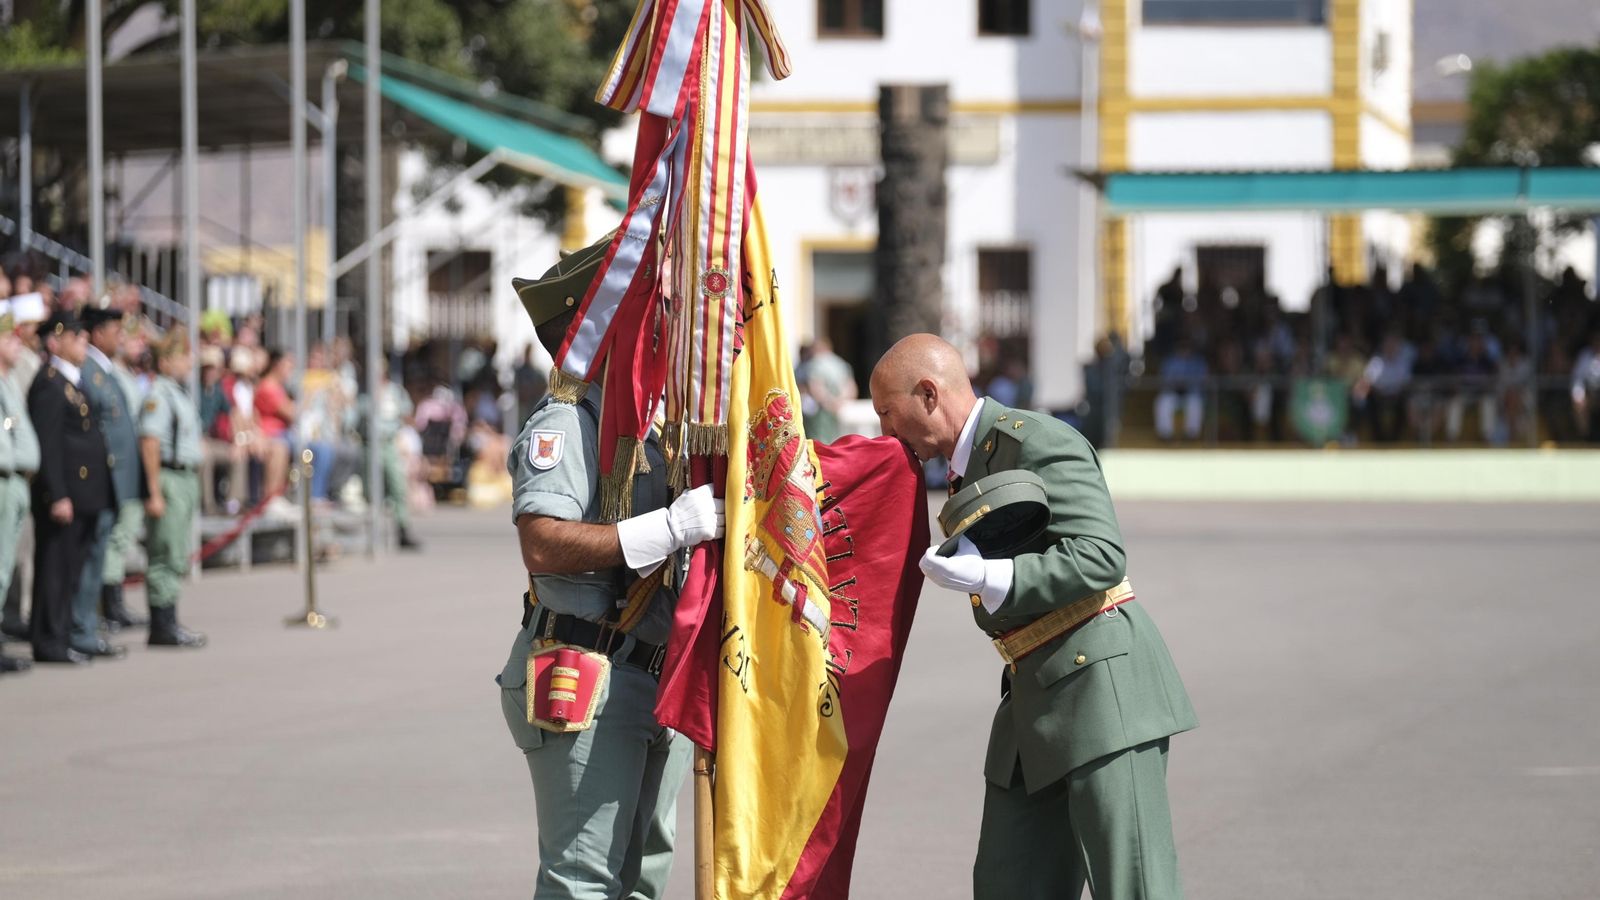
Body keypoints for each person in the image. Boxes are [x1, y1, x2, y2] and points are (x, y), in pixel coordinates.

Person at [870, 333, 1196, 900]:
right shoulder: (966, 463)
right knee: (1009, 882)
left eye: (887, 414)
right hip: (1033, 700)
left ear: (928, 395)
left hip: (1101, 690)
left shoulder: (1036, 441)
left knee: (1134, 886)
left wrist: (994, 577)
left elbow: (1101, 555)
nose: (884, 432)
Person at [498, 241, 724, 898]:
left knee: (641, 877)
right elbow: (540, 541)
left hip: (656, 670)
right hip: (586, 668)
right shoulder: (570, 419)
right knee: (585, 882)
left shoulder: (652, 425)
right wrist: (665, 530)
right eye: (642, 304)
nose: (659, 320)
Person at [27, 308, 116, 665]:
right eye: (75, 337)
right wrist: (58, 493)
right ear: (54, 342)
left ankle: (62, 635)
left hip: (84, 494)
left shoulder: (70, 382)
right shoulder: (49, 383)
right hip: (64, 496)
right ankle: (49, 640)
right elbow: (49, 446)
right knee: (54, 569)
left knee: (70, 569)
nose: (82, 342)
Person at [138, 331, 208, 648]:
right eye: (182, 356)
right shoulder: (160, 395)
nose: (189, 362)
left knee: (176, 549)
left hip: (185, 476)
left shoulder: (176, 393)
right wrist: (153, 490)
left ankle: (169, 619)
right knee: (165, 550)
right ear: (165, 362)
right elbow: (150, 442)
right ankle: (162, 624)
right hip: (170, 476)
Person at [81, 305, 145, 643]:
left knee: (116, 540)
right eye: (114, 330)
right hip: (105, 473)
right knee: (103, 543)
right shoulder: (90, 371)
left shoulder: (107, 370)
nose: (121, 337)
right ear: (97, 333)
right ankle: (104, 609)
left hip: (120, 471)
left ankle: (112, 605)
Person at [0, 302, 37, 673]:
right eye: (7, 336)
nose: (16, 343)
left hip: (15, 481)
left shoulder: (9, 379)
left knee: (5, 567)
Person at [798, 338, 856, 443]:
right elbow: (850, 387)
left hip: (820, 413)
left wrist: (829, 402)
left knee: (819, 444)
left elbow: (815, 386)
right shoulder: (840, 364)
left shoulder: (814, 363)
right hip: (838, 409)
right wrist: (840, 402)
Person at [1153, 338, 1207, 441]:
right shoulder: (1169, 361)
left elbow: (1202, 380)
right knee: (1162, 401)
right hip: (1173, 393)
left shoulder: (1198, 361)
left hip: (1191, 393)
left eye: (1187, 347)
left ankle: (1191, 434)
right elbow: (1164, 380)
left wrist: (1187, 385)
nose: (1184, 350)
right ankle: (1165, 434)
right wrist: (1176, 385)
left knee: (1196, 402)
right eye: (1182, 347)